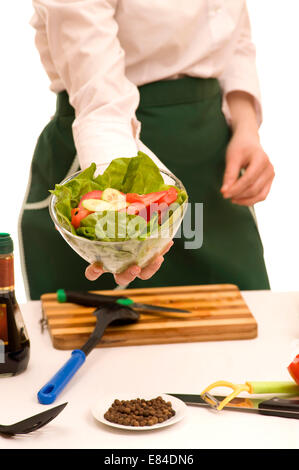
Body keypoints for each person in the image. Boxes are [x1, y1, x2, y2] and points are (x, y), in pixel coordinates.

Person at [20, 0, 274, 300]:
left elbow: (232, 34)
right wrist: (121, 215)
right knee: (104, 334)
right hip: (106, 154)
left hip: (212, 161)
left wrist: (245, 127)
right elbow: (102, 104)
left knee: (239, 316)